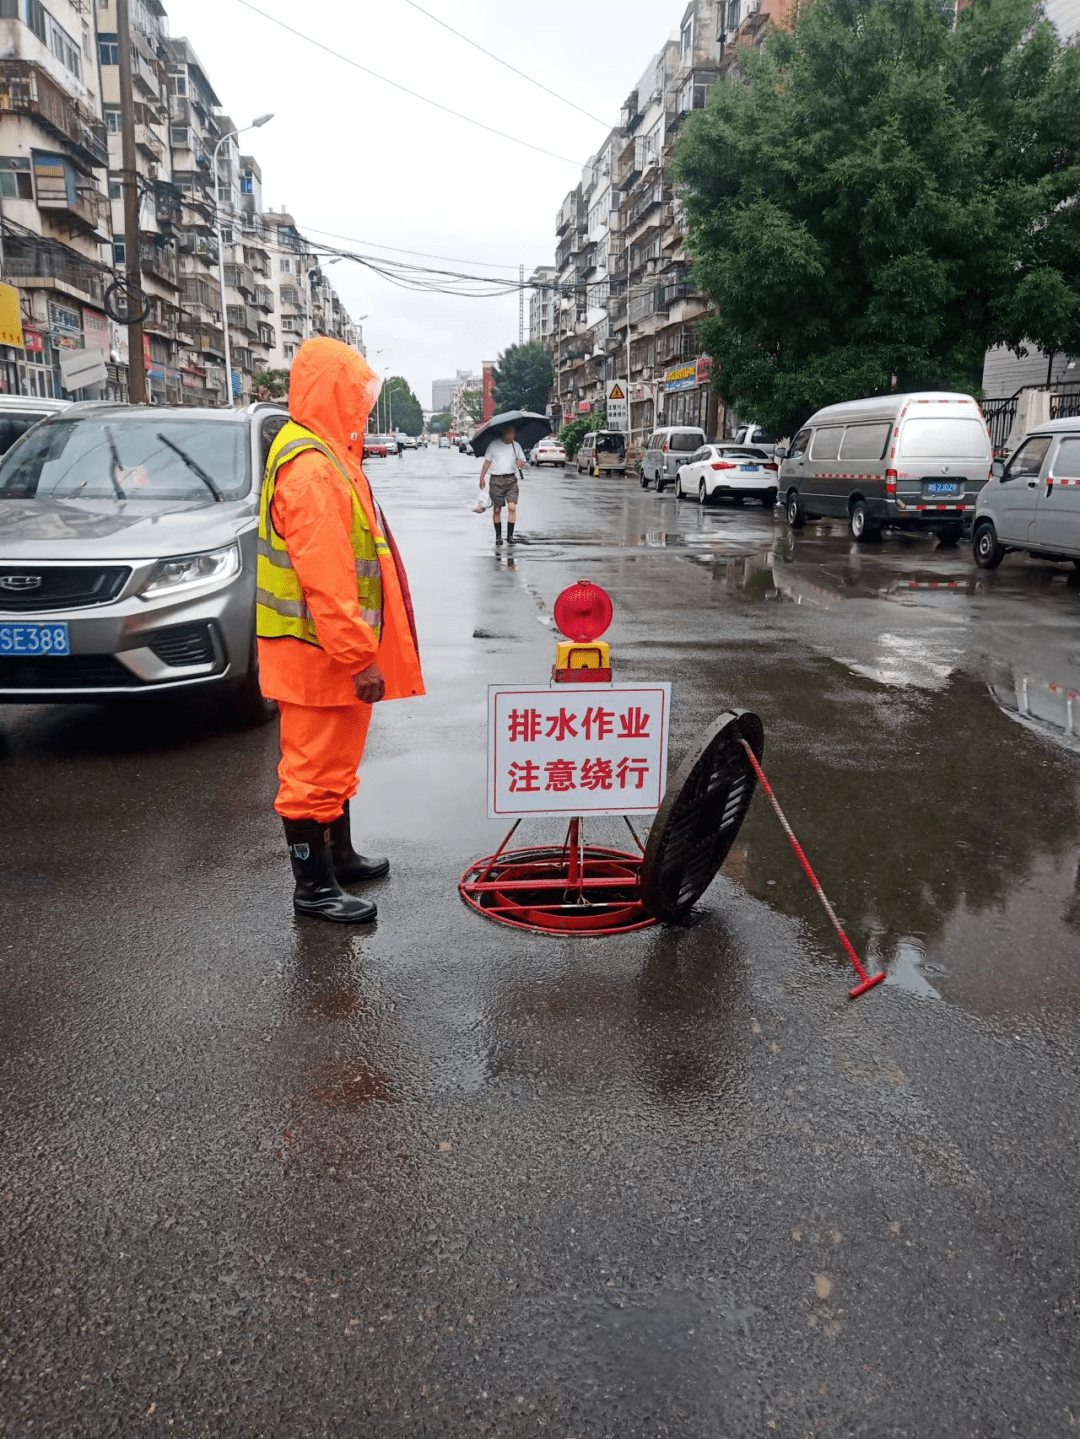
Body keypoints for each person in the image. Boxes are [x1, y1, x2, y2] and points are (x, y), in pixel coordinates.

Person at [257, 337, 425, 925]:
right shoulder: (311, 469)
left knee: (335, 763)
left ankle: (340, 857)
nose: (363, 403)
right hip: (318, 655)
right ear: (335, 392)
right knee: (310, 772)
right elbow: (327, 583)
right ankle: (314, 889)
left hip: (324, 652)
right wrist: (360, 657)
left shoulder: (330, 458)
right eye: (357, 392)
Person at [478, 424, 526, 545]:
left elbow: (522, 460)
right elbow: (487, 462)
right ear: (504, 433)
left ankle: (510, 536)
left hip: (511, 479)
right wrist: (482, 477)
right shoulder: (494, 445)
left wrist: (520, 464)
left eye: (513, 434)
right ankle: (498, 536)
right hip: (496, 480)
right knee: (497, 510)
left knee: (512, 507)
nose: (511, 436)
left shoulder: (516, 446)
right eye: (509, 433)